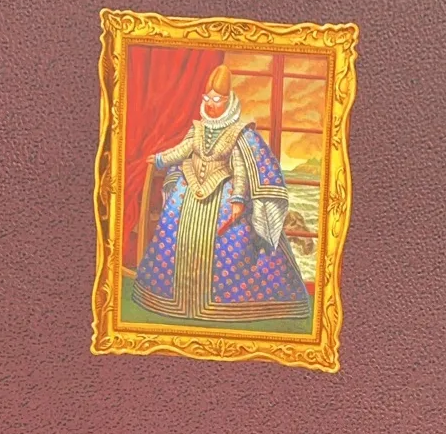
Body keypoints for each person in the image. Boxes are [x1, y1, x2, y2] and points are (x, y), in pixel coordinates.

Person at [133, 64, 313, 323]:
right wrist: (160, 159)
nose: (210, 104)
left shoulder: (238, 132)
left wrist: (238, 200)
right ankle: (177, 301)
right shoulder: (197, 128)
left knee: (233, 246)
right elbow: (182, 151)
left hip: (224, 195)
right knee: (174, 233)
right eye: (207, 99)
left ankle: (220, 306)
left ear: (228, 101)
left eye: (216, 100)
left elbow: (241, 170)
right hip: (190, 191)